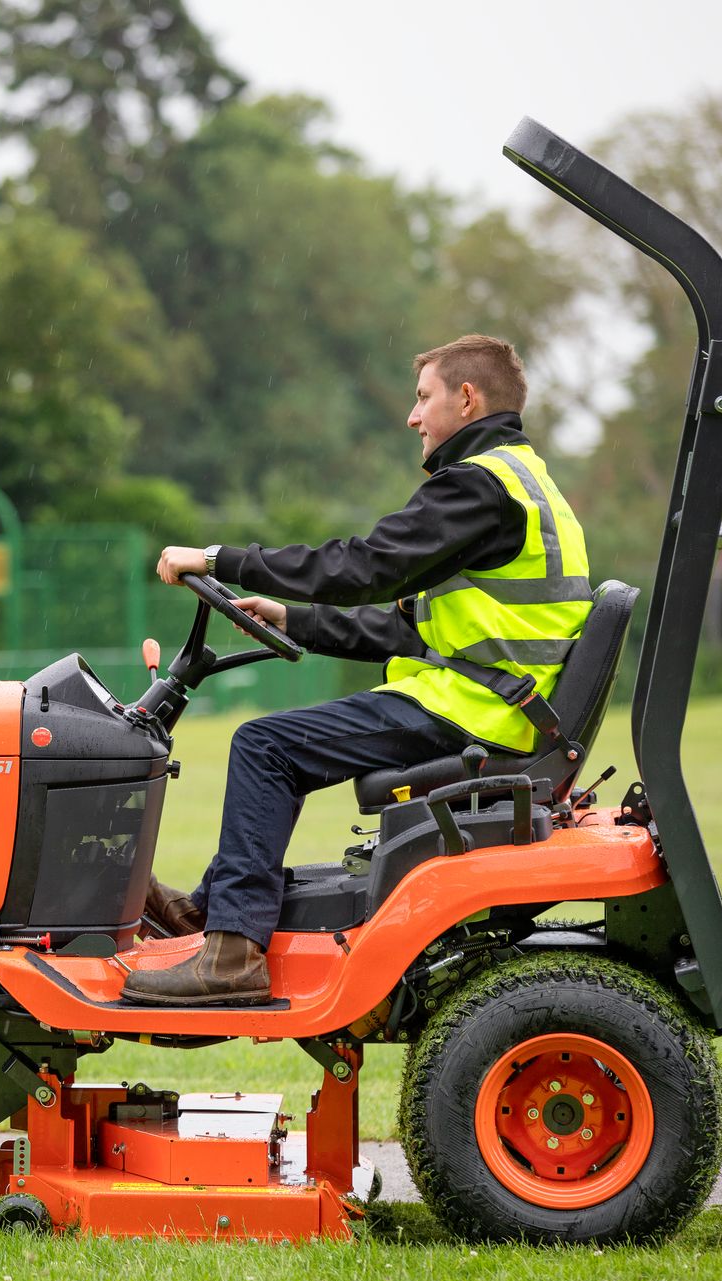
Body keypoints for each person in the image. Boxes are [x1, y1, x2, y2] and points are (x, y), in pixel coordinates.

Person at [123, 334, 592, 1006]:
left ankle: (230, 956)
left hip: (474, 710)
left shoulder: (479, 487)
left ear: (467, 398)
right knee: (270, 744)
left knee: (264, 746)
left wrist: (222, 558)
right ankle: (213, 910)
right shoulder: (525, 481)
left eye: (423, 396)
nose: (412, 415)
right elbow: (408, 626)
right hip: (495, 702)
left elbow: (364, 565)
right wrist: (295, 619)